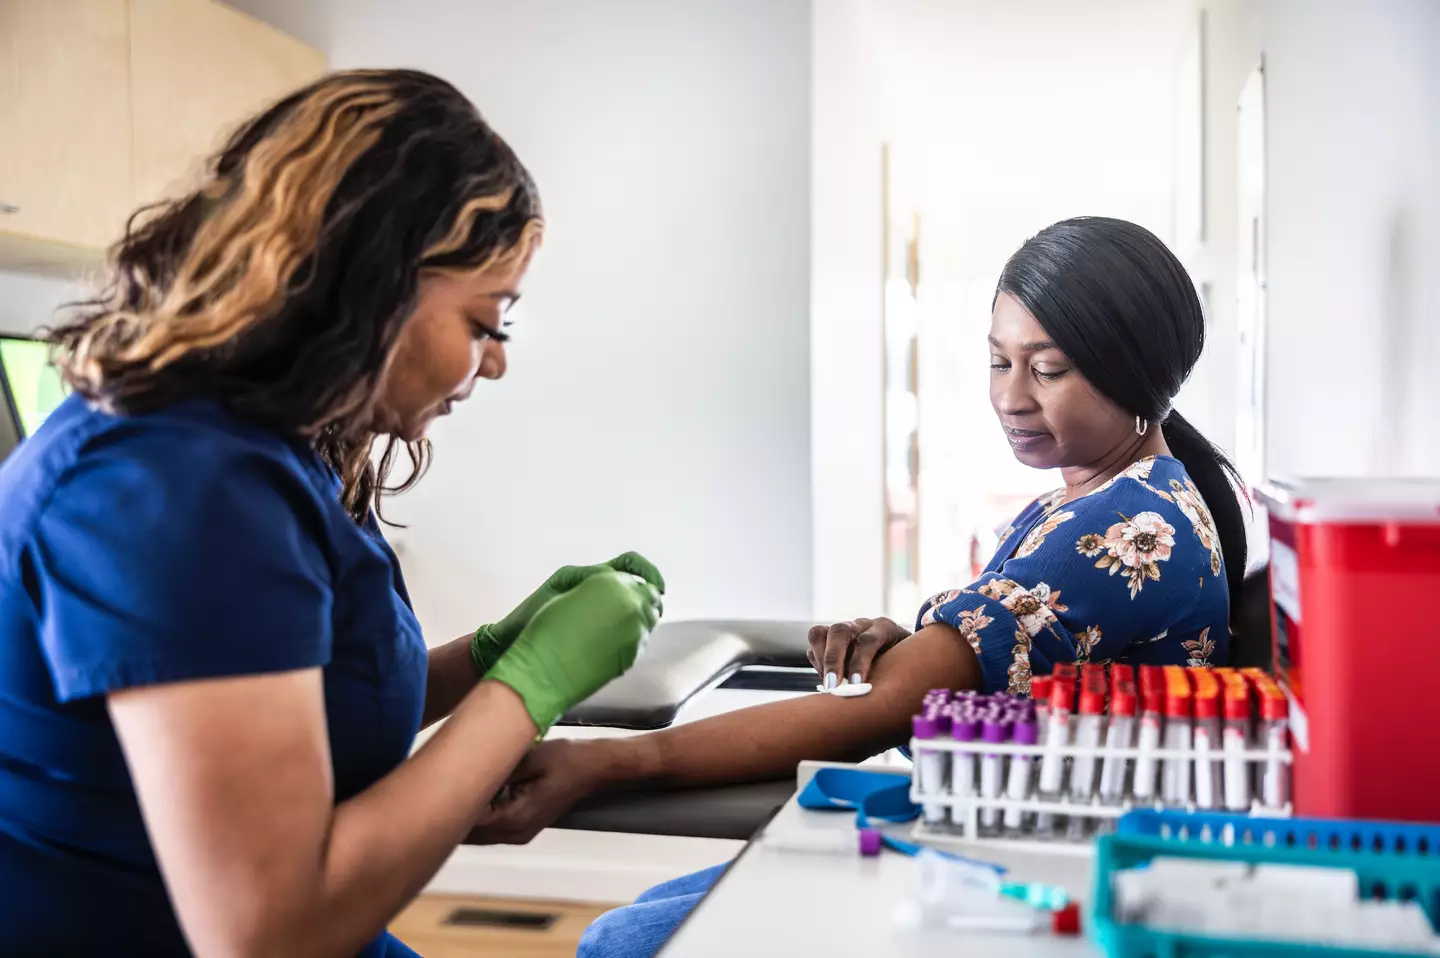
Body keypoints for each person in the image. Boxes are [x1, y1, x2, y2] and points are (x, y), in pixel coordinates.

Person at [0, 69, 665, 958]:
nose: (495, 363)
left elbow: (281, 711)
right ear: (372, 283)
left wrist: (490, 657)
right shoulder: (178, 487)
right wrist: (530, 687)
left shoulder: (260, 449)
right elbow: (268, 933)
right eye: (486, 321)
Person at [468, 216, 1249, 958]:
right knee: (638, 921)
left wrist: (607, 763)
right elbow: (1013, 672)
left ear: (1137, 375)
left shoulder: (1124, 529)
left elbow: (888, 707)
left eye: (1046, 369)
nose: (1011, 396)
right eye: (997, 360)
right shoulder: (1105, 497)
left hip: (1038, 875)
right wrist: (925, 653)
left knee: (623, 943)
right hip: (1008, 835)